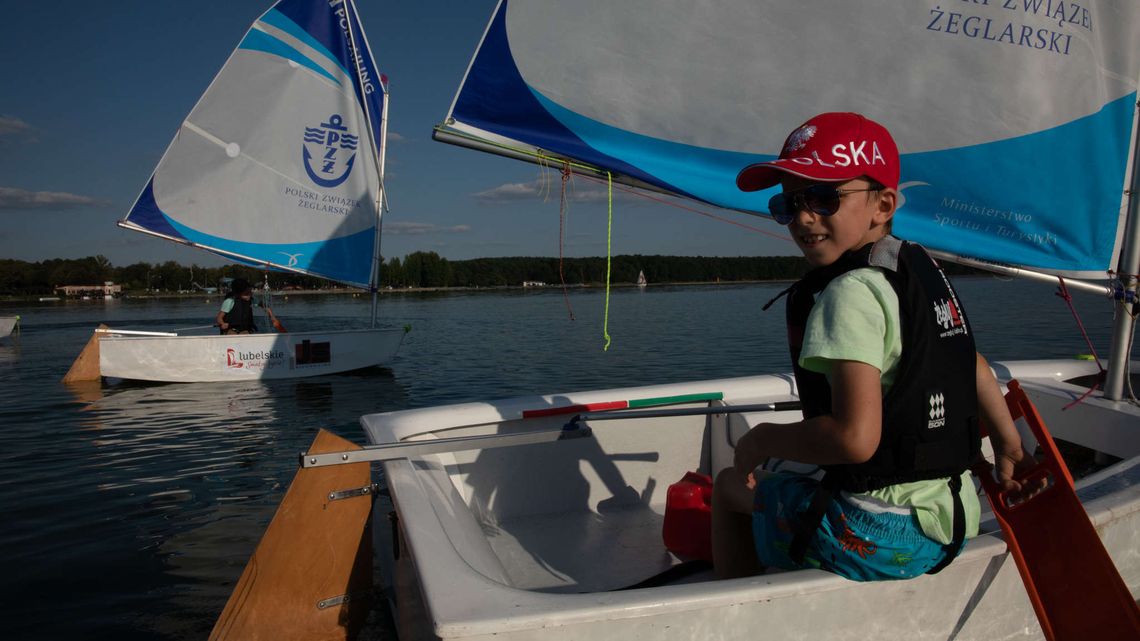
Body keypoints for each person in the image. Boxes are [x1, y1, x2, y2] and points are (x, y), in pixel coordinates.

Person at [712, 112, 1040, 581]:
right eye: (789, 204)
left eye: (824, 198)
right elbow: (973, 366)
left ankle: (733, 598)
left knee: (727, 487)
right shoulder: (915, 270)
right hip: (955, 516)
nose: (804, 218)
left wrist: (759, 439)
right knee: (791, 469)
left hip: (879, 535)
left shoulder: (847, 294)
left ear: (883, 205)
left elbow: (854, 439)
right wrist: (1008, 444)